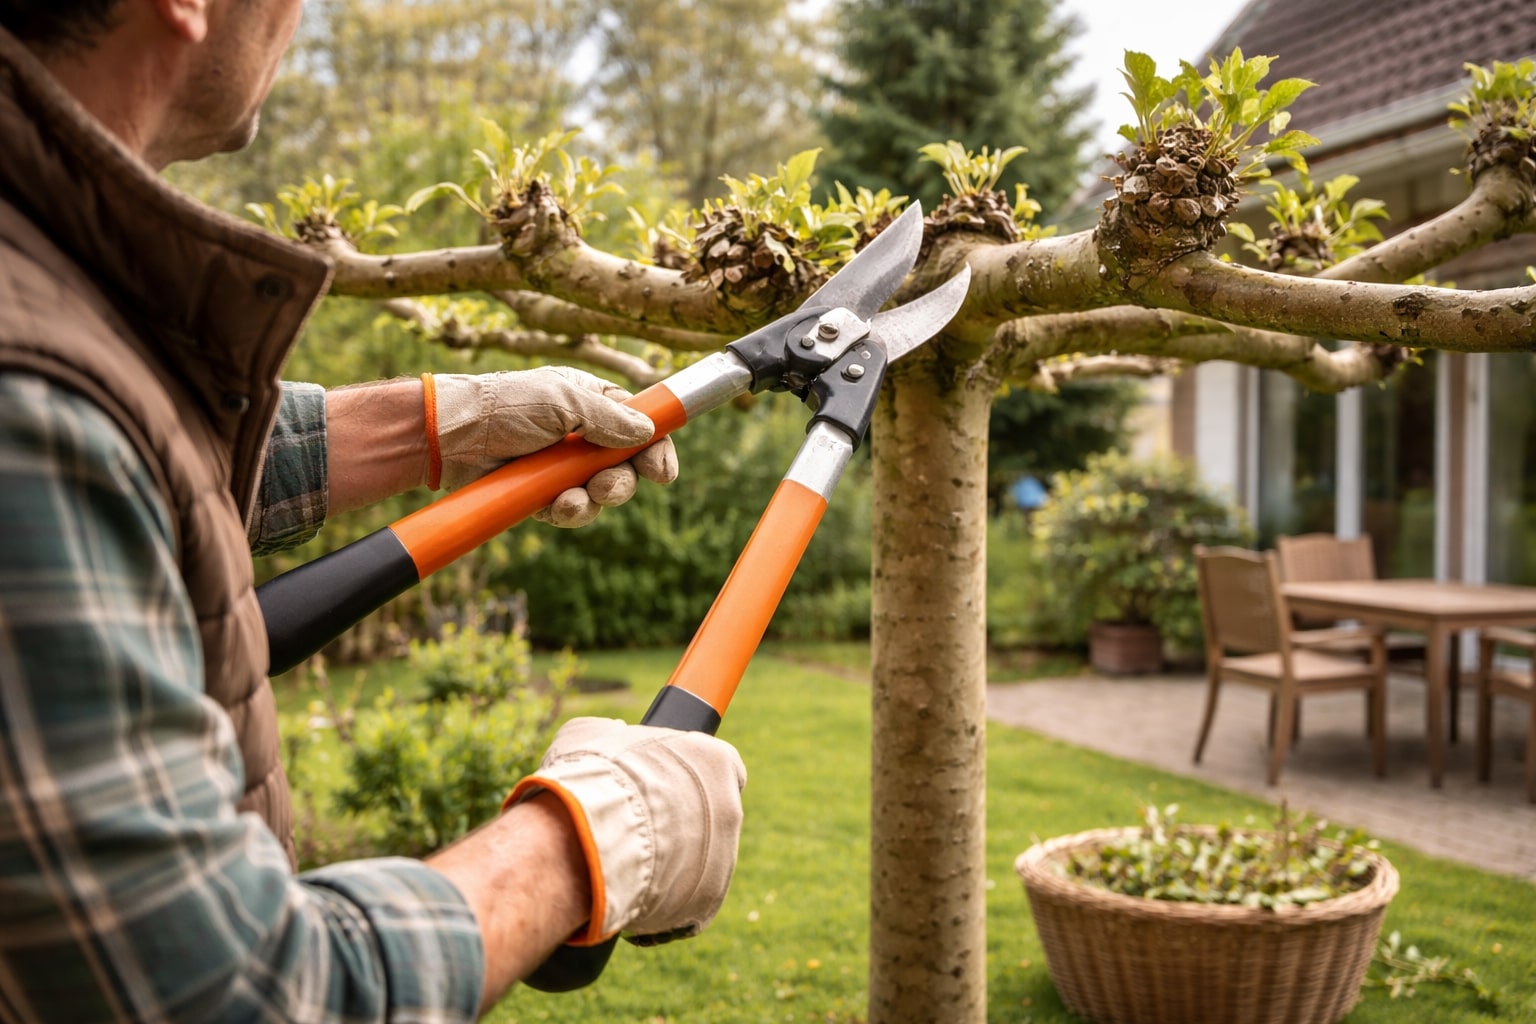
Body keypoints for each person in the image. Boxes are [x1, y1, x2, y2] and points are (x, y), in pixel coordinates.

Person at [0, 0, 748, 1020]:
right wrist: (587, 841)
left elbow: (133, 468)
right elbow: (240, 995)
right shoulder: (29, 398)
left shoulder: (45, 278)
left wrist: (445, 420)